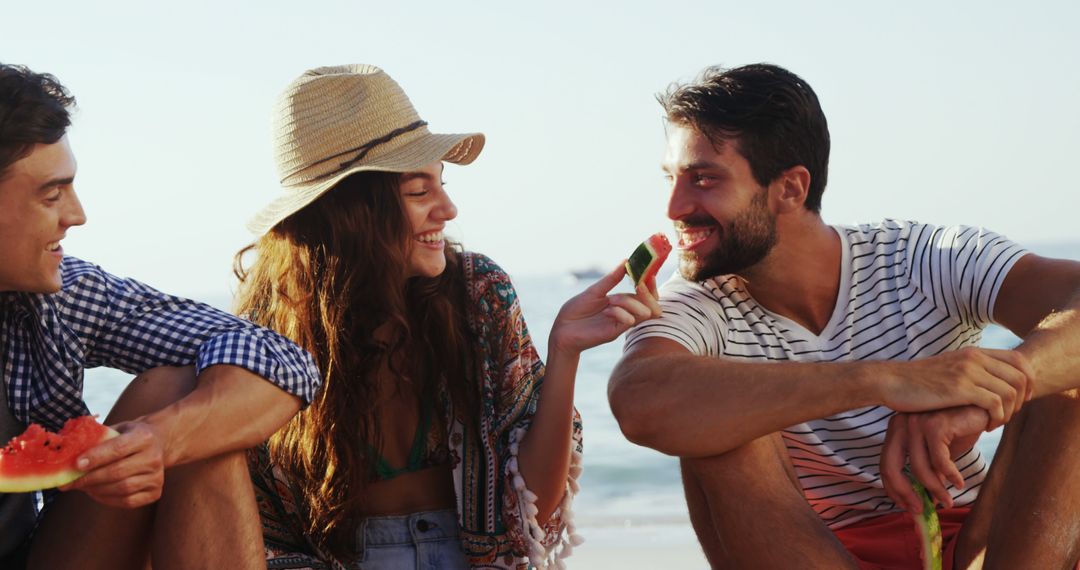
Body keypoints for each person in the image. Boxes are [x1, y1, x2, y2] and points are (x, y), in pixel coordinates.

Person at [608, 63, 1080, 569]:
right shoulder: (695, 302)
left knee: (1067, 374)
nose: (674, 206)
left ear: (790, 189)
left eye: (703, 179)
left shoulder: (919, 257)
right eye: (672, 178)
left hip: (982, 548)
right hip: (819, 552)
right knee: (710, 419)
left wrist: (985, 396)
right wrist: (884, 381)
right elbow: (640, 399)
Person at [235, 64, 659, 570]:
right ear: (350, 213)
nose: (449, 208)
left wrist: (564, 353)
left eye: (441, 183)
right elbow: (261, 534)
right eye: (419, 192)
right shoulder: (266, 334)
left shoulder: (478, 296)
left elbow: (534, 519)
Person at [0, 63, 322, 570]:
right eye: (51, 194)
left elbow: (281, 359)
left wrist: (158, 440)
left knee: (187, 403)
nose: (77, 214)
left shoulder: (59, 295)